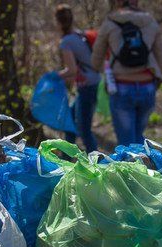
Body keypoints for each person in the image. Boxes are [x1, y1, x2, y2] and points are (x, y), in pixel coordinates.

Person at [91, 0, 162, 146]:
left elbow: (95, 61)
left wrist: (107, 72)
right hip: (147, 87)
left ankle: (133, 167)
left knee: (126, 144)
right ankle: (145, 165)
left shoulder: (110, 22)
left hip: (121, 87)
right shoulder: (150, 22)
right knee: (138, 139)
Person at [55, 4, 100, 152]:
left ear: (58, 22)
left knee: (84, 130)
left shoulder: (66, 41)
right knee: (70, 123)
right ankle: (67, 158)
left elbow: (72, 70)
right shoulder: (80, 35)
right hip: (93, 83)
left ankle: (98, 164)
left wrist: (55, 76)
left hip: (87, 87)